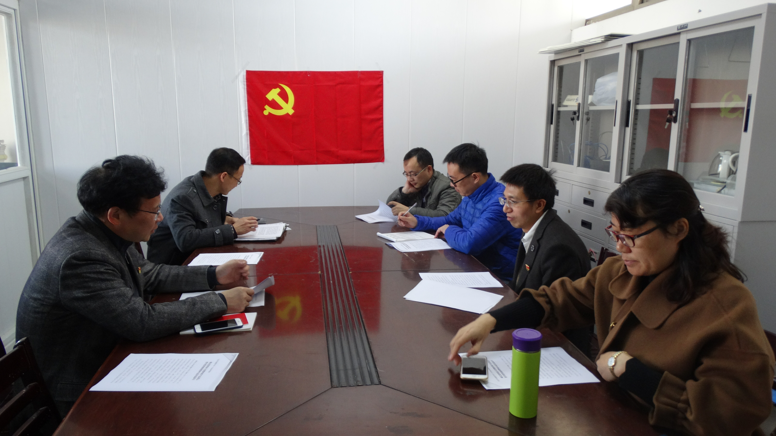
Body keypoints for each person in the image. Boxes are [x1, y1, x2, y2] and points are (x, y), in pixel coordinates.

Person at [448, 169, 775, 436]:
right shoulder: (620, 272)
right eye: (615, 234)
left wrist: (625, 366)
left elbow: (727, 416)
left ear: (678, 229)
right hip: (614, 415)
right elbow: (558, 300)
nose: (620, 248)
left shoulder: (725, 305)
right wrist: (491, 321)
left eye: (630, 237)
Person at [16, 156, 255, 416]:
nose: (161, 218)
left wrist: (214, 275)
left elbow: (149, 274)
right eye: (153, 211)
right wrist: (220, 301)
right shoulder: (81, 257)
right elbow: (141, 321)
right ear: (116, 215)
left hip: (110, 357)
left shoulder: (104, 231)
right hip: (76, 391)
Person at [499, 164, 593, 356]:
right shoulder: (533, 228)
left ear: (539, 205)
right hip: (530, 330)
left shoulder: (559, 248)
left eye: (513, 202)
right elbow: (518, 285)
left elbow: (552, 315)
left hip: (558, 350)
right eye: (505, 200)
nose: (505, 208)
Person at [398, 143, 522, 281]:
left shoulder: (498, 203)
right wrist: (417, 221)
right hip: (476, 268)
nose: (452, 185)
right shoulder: (471, 194)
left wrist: (449, 230)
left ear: (475, 177)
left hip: (500, 279)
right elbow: (449, 219)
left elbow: (469, 243)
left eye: (454, 180)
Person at [148, 148, 259, 265]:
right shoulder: (183, 197)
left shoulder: (206, 186)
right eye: (238, 180)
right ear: (223, 176)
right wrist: (232, 230)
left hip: (198, 257)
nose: (237, 185)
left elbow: (199, 217)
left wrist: (225, 219)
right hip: (173, 265)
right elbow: (186, 240)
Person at [386, 147, 461, 217]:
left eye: (413, 174)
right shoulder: (413, 186)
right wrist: (403, 192)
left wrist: (409, 210)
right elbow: (389, 207)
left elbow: (445, 215)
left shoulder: (448, 186)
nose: (409, 179)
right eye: (406, 174)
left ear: (429, 169)